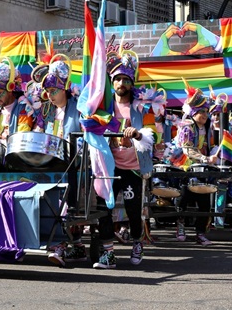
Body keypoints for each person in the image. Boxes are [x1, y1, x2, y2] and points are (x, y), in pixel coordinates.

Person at [92, 49, 155, 269]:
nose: (121, 83)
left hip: (133, 168)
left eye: (125, 79)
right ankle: (108, 253)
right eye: (117, 79)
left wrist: (137, 134)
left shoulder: (142, 106)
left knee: (133, 208)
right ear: (112, 81)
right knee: (103, 209)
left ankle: (137, 241)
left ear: (131, 83)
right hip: (108, 166)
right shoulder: (103, 106)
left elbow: (152, 134)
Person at [30, 54, 86, 268]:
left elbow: (84, 135)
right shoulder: (46, 110)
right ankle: (69, 243)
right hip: (51, 163)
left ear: (65, 88)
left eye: (54, 91)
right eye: (48, 92)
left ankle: (60, 244)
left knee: (64, 204)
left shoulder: (79, 107)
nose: (50, 95)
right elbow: (39, 133)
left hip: (74, 165)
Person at [175, 82, 216, 246]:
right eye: (201, 111)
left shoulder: (207, 128)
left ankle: (200, 233)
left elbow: (209, 147)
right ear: (193, 112)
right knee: (184, 197)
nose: (205, 114)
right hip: (185, 167)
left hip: (202, 168)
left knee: (205, 201)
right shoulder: (187, 126)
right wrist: (205, 158)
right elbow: (187, 149)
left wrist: (214, 154)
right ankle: (180, 225)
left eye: (206, 111)